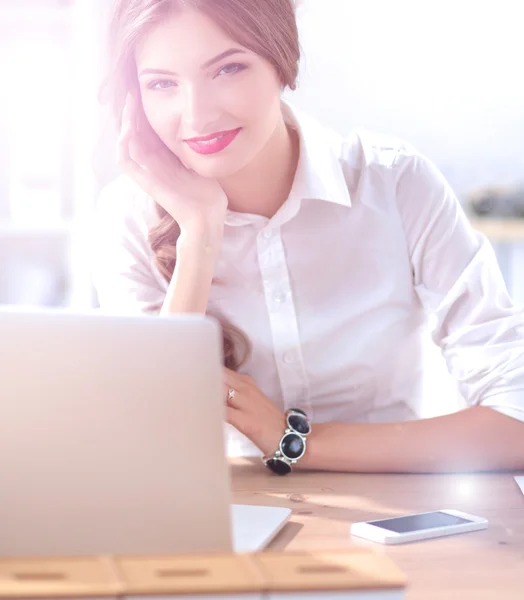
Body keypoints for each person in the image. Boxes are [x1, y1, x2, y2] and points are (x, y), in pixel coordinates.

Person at [93, 0, 524, 475]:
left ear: (282, 62)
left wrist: (293, 440)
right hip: (218, 514)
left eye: (228, 68)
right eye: (161, 83)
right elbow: (146, 446)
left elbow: (516, 417)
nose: (196, 116)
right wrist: (199, 235)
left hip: (393, 512)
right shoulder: (127, 216)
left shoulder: (393, 183)